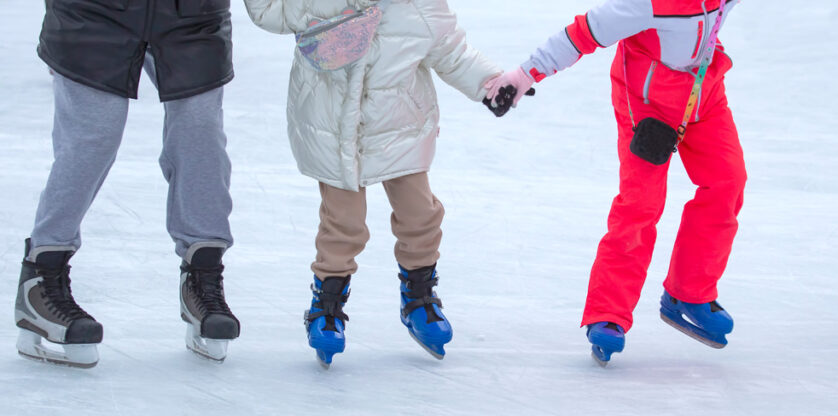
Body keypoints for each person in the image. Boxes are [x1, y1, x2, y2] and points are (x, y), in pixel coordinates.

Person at [242, 0, 505, 366]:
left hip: (399, 130)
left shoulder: (420, 6)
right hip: (333, 128)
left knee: (420, 215)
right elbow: (271, 12)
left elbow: (453, 52)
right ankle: (327, 304)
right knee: (343, 223)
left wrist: (490, 84)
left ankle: (419, 296)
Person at [487, 0, 745, 364]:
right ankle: (607, 313)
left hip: (705, 94)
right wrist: (525, 74)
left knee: (727, 182)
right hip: (647, 102)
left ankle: (689, 293)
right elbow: (583, 33)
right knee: (642, 203)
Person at [14, 0, 239, 368]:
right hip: (95, 11)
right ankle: (42, 278)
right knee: (93, 137)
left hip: (193, 13)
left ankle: (204, 275)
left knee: (200, 135)